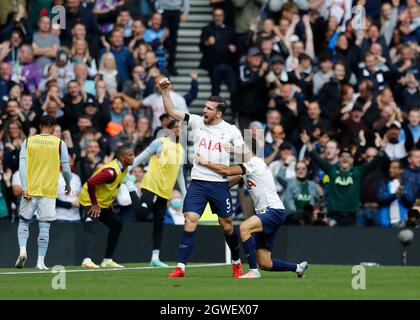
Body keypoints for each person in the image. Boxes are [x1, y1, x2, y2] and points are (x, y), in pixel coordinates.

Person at [158, 76, 245, 278]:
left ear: (219, 113)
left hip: (219, 185)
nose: (204, 110)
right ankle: (181, 266)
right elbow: (171, 112)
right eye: (204, 107)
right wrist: (165, 92)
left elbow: (245, 154)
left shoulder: (231, 130)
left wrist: (233, 149)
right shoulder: (196, 121)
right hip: (198, 183)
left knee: (227, 226)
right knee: (190, 219)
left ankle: (236, 262)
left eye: (209, 108)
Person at [195, 139, 308, 279]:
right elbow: (228, 183)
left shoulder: (253, 162)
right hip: (268, 212)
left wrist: (205, 163)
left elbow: (227, 170)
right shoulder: (249, 166)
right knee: (265, 263)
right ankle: (298, 268)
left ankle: (253, 271)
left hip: (273, 211)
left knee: (244, 228)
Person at [15, 115, 72, 270]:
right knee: (44, 225)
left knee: (24, 221)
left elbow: (22, 167)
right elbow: (66, 169)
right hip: (48, 190)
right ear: (53, 127)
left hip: (31, 189)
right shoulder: (60, 144)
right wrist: (68, 183)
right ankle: (40, 262)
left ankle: (22, 250)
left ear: (40, 126)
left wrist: (25, 188)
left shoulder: (28, 142)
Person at [130, 119, 186, 267]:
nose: (178, 129)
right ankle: (130, 187)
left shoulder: (181, 149)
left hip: (165, 190)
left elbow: (179, 174)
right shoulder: (161, 142)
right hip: (152, 184)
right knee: (141, 214)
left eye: (180, 127)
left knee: (159, 222)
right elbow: (142, 157)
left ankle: (155, 257)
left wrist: (185, 193)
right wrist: (127, 168)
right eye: (175, 127)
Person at [301, 130, 385, 226]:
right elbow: (317, 159)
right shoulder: (332, 170)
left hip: (353, 215)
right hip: (334, 214)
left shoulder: (358, 171)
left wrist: (382, 149)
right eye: (342, 156)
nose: (345, 158)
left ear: (352, 160)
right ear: (339, 159)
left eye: (348, 156)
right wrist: (307, 143)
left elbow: (373, 164)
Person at [78, 146, 134, 269]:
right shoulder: (111, 171)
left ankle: (107, 260)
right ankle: (86, 261)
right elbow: (91, 183)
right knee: (90, 226)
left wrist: (109, 204)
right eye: (130, 155)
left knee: (117, 225)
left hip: (103, 204)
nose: (133, 157)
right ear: (122, 157)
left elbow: (111, 188)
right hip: (89, 201)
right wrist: (94, 204)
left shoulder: (123, 168)